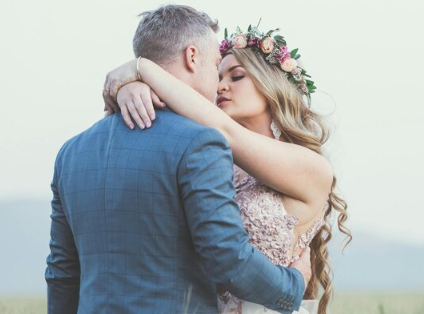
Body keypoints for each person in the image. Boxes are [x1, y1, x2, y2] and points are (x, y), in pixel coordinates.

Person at [46, 5, 311, 314]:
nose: (218, 84)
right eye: (215, 65)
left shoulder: (71, 153)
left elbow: (62, 272)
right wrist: (291, 285)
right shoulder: (200, 142)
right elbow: (226, 257)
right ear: (192, 57)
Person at [101, 22, 351, 314]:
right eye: (219, 75)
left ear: (270, 84)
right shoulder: (212, 159)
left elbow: (226, 131)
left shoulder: (312, 167)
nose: (220, 86)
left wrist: (142, 68)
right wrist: (129, 90)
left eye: (236, 76)